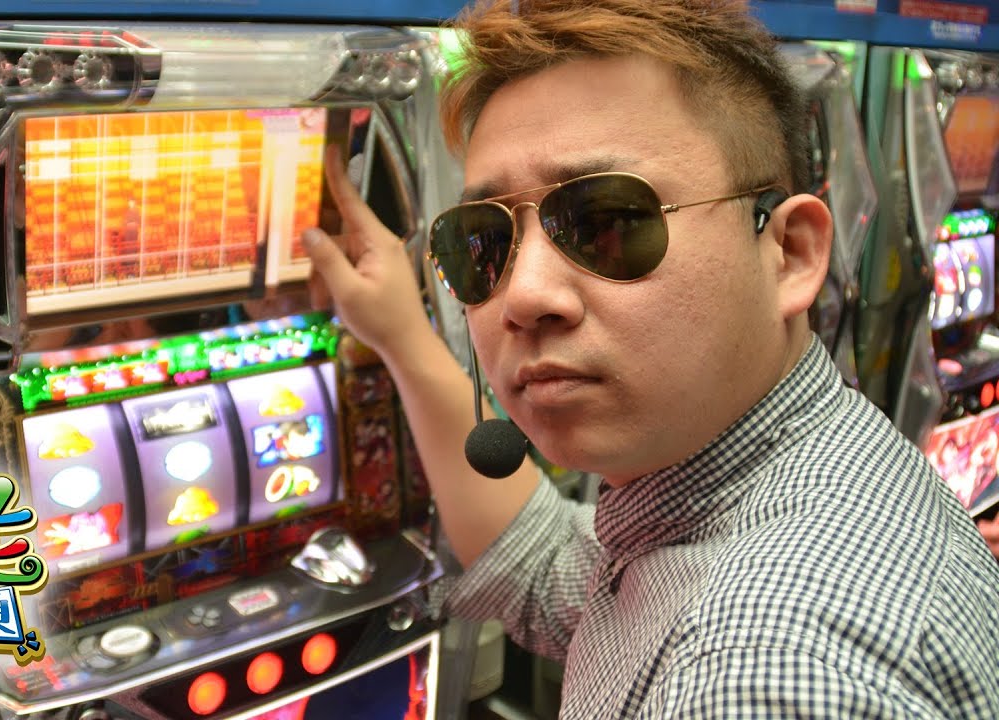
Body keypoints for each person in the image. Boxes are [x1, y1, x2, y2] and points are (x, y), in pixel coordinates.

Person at [301, 0, 999, 716]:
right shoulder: (740, 491)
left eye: (608, 222)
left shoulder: (764, 666)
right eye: (482, 242)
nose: (523, 295)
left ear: (790, 254)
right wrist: (399, 336)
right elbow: (544, 570)